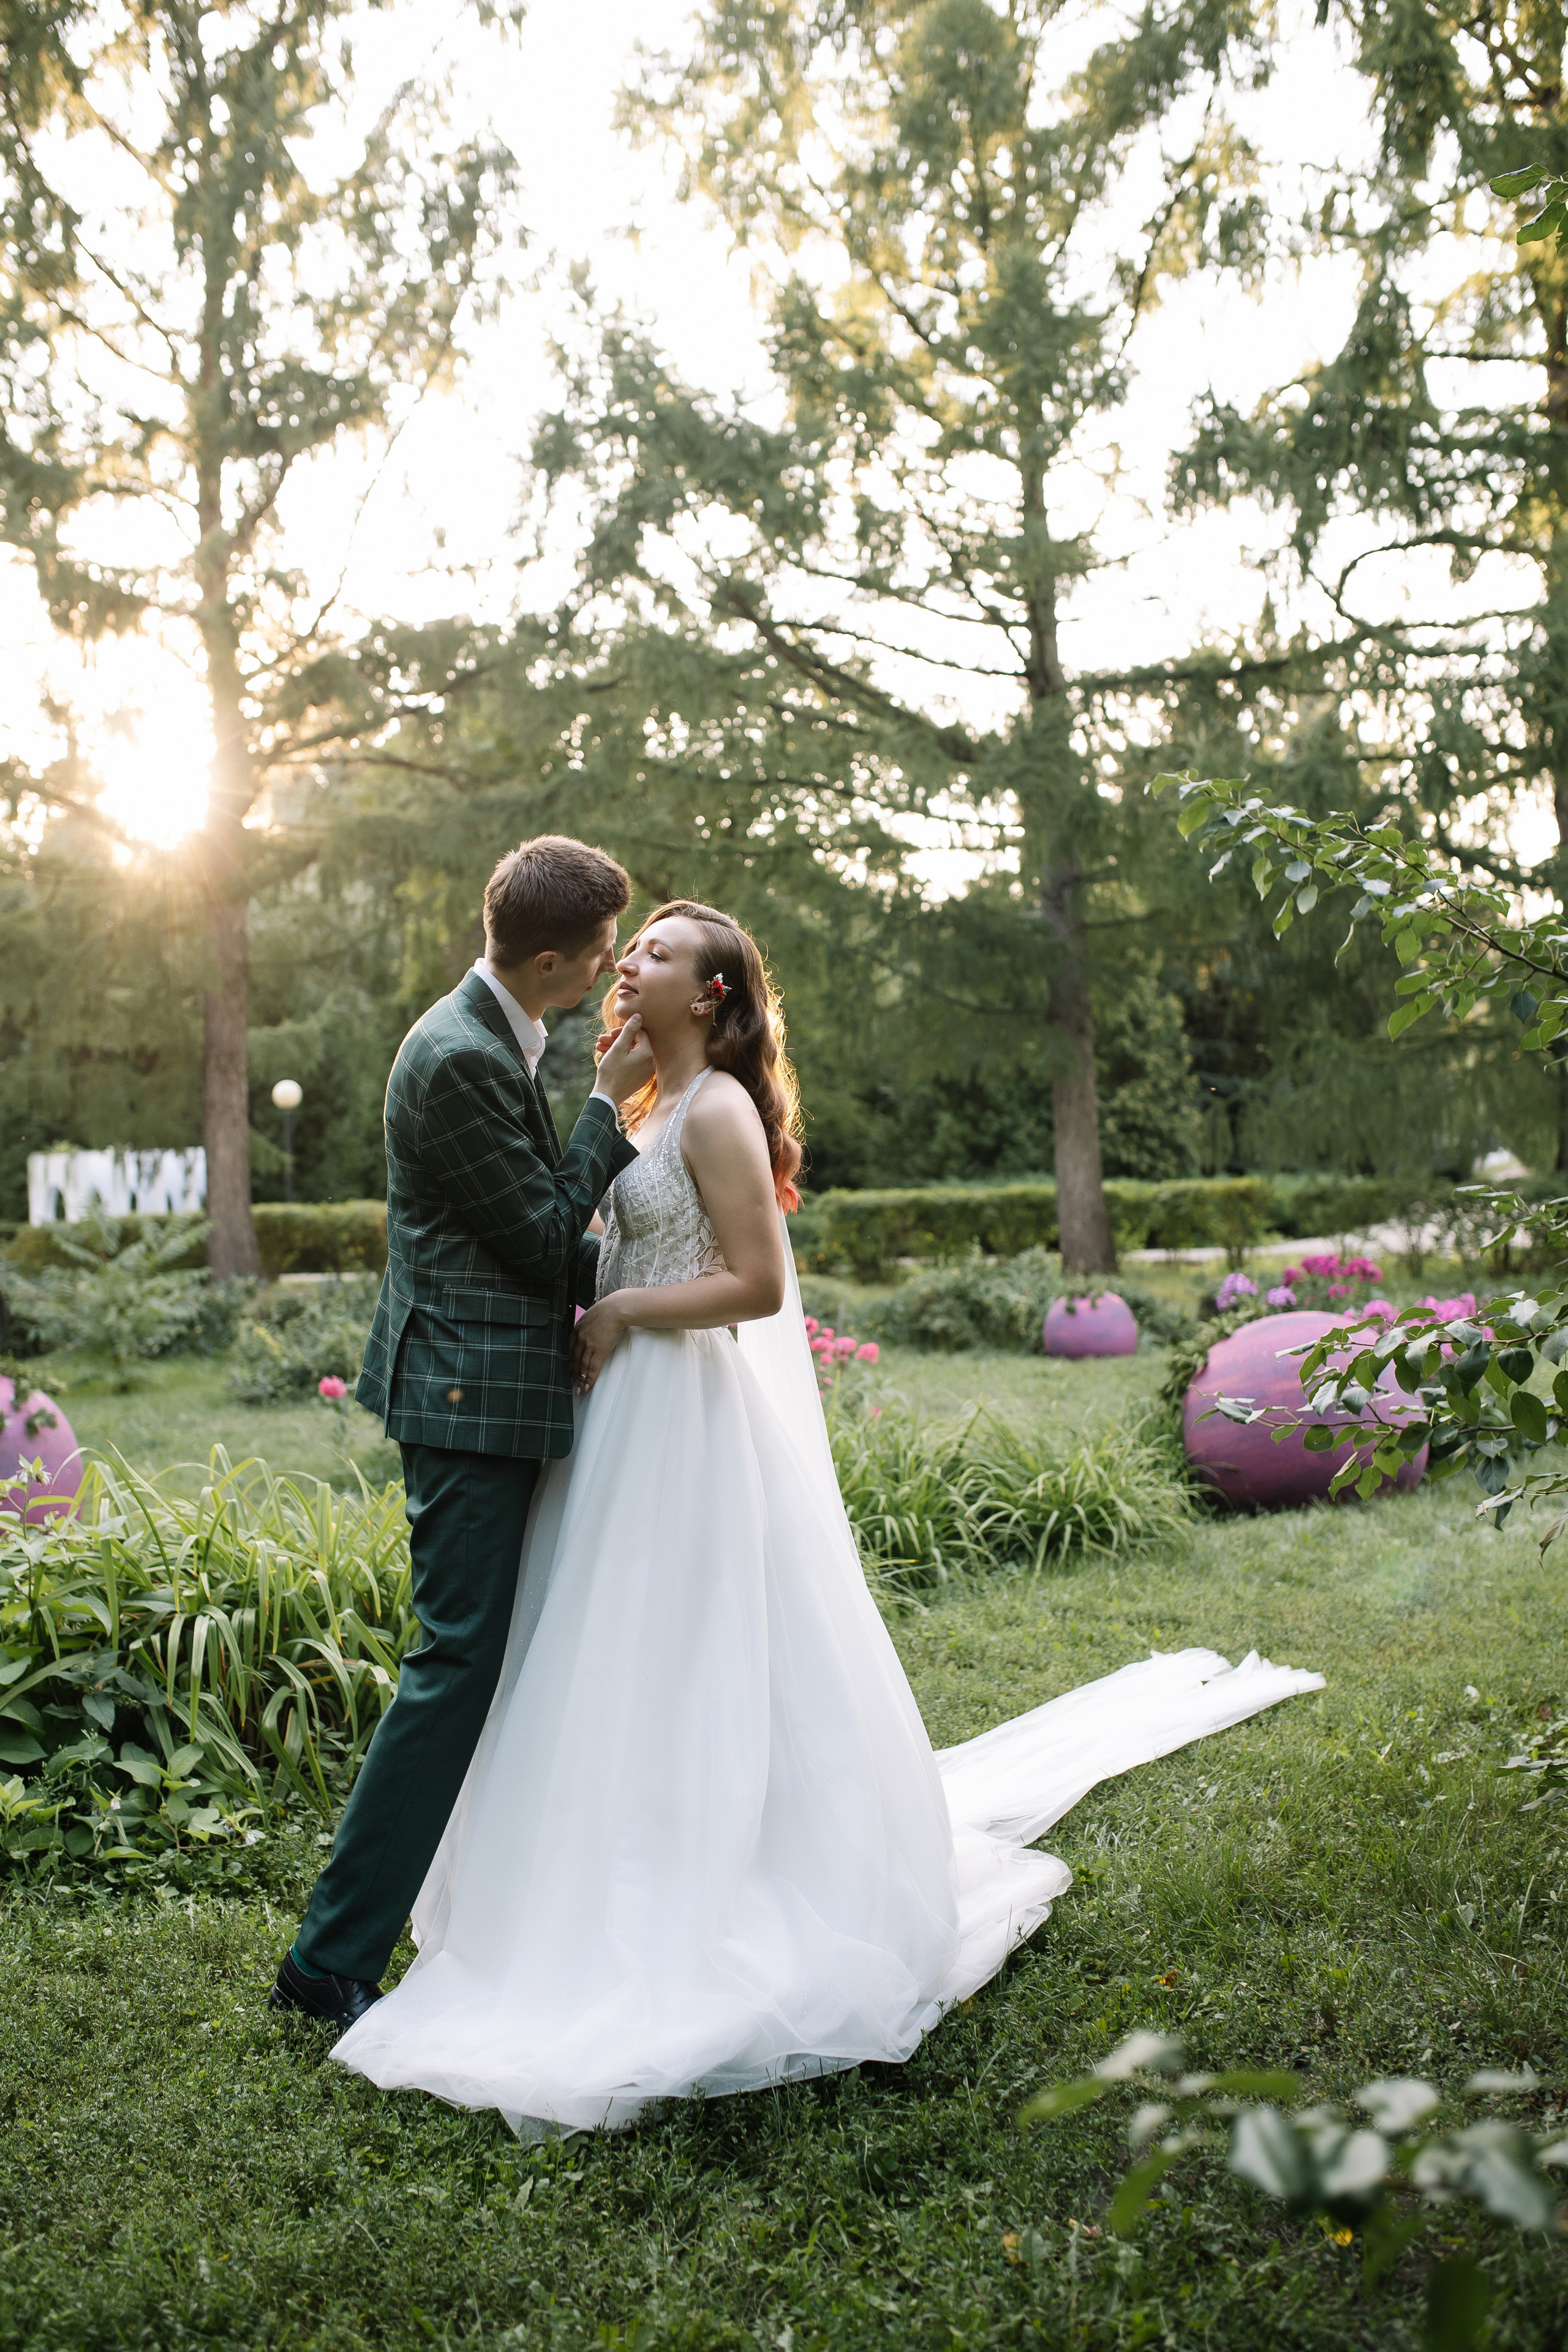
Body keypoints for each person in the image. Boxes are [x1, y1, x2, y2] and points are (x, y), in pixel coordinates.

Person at [326, 899, 1323, 2132]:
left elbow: (749, 1281)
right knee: (594, 1655)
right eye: (621, 944)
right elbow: (585, 1234)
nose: (623, 961)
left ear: (708, 997)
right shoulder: (641, 1099)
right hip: (614, 1421)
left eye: (652, 953)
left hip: (676, 1415)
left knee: (682, 1651)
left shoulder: (723, 1109)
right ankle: (583, 1884)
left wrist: (627, 1312)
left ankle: (712, 1887)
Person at [270, 835, 656, 2029]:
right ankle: (329, 1960)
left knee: (486, 1656)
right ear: (551, 958)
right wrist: (607, 1105)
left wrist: (675, 1280)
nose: (607, 971)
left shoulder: (495, 1033)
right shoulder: (455, 1060)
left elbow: (516, 1237)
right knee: (452, 1667)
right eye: (599, 953)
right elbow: (543, 1239)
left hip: (483, 1384)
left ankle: (483, 1904)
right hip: (464, 1399)